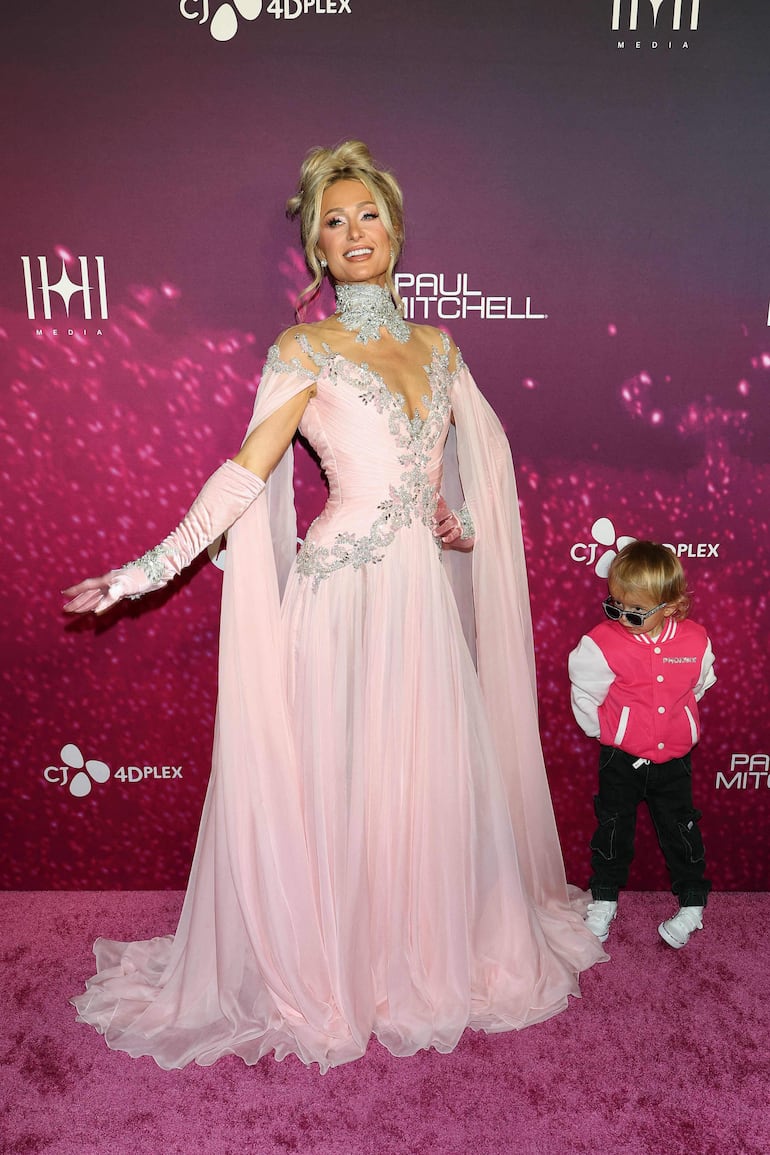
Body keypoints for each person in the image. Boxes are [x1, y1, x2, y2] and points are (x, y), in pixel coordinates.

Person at [63, 140, 604, 1071]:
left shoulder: (440, 349)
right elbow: (247, 471)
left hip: (417, 602)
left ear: (396, 230)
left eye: (368, 215)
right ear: (316, 246)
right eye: (334, 221)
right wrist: (147, 568)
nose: (354, 232)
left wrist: (455, 523)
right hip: (342, 594)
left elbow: (476, 491)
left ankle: (410, 954)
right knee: (338, 780)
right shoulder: (303, 348)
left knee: (418, 780)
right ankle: (334, 964)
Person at [568, 540, 716, 950]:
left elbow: (699, 685)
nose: (621, 616)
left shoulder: (695, 641)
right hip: (620, 759)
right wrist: (610, 733)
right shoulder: (601, 642)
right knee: (612, 830)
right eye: (614, 605)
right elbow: (585, 693)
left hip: (675, 762)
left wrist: (676, 722)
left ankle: (692, 904)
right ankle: (603, 900)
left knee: (681, 831)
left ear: (670, 607)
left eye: (634, 610)